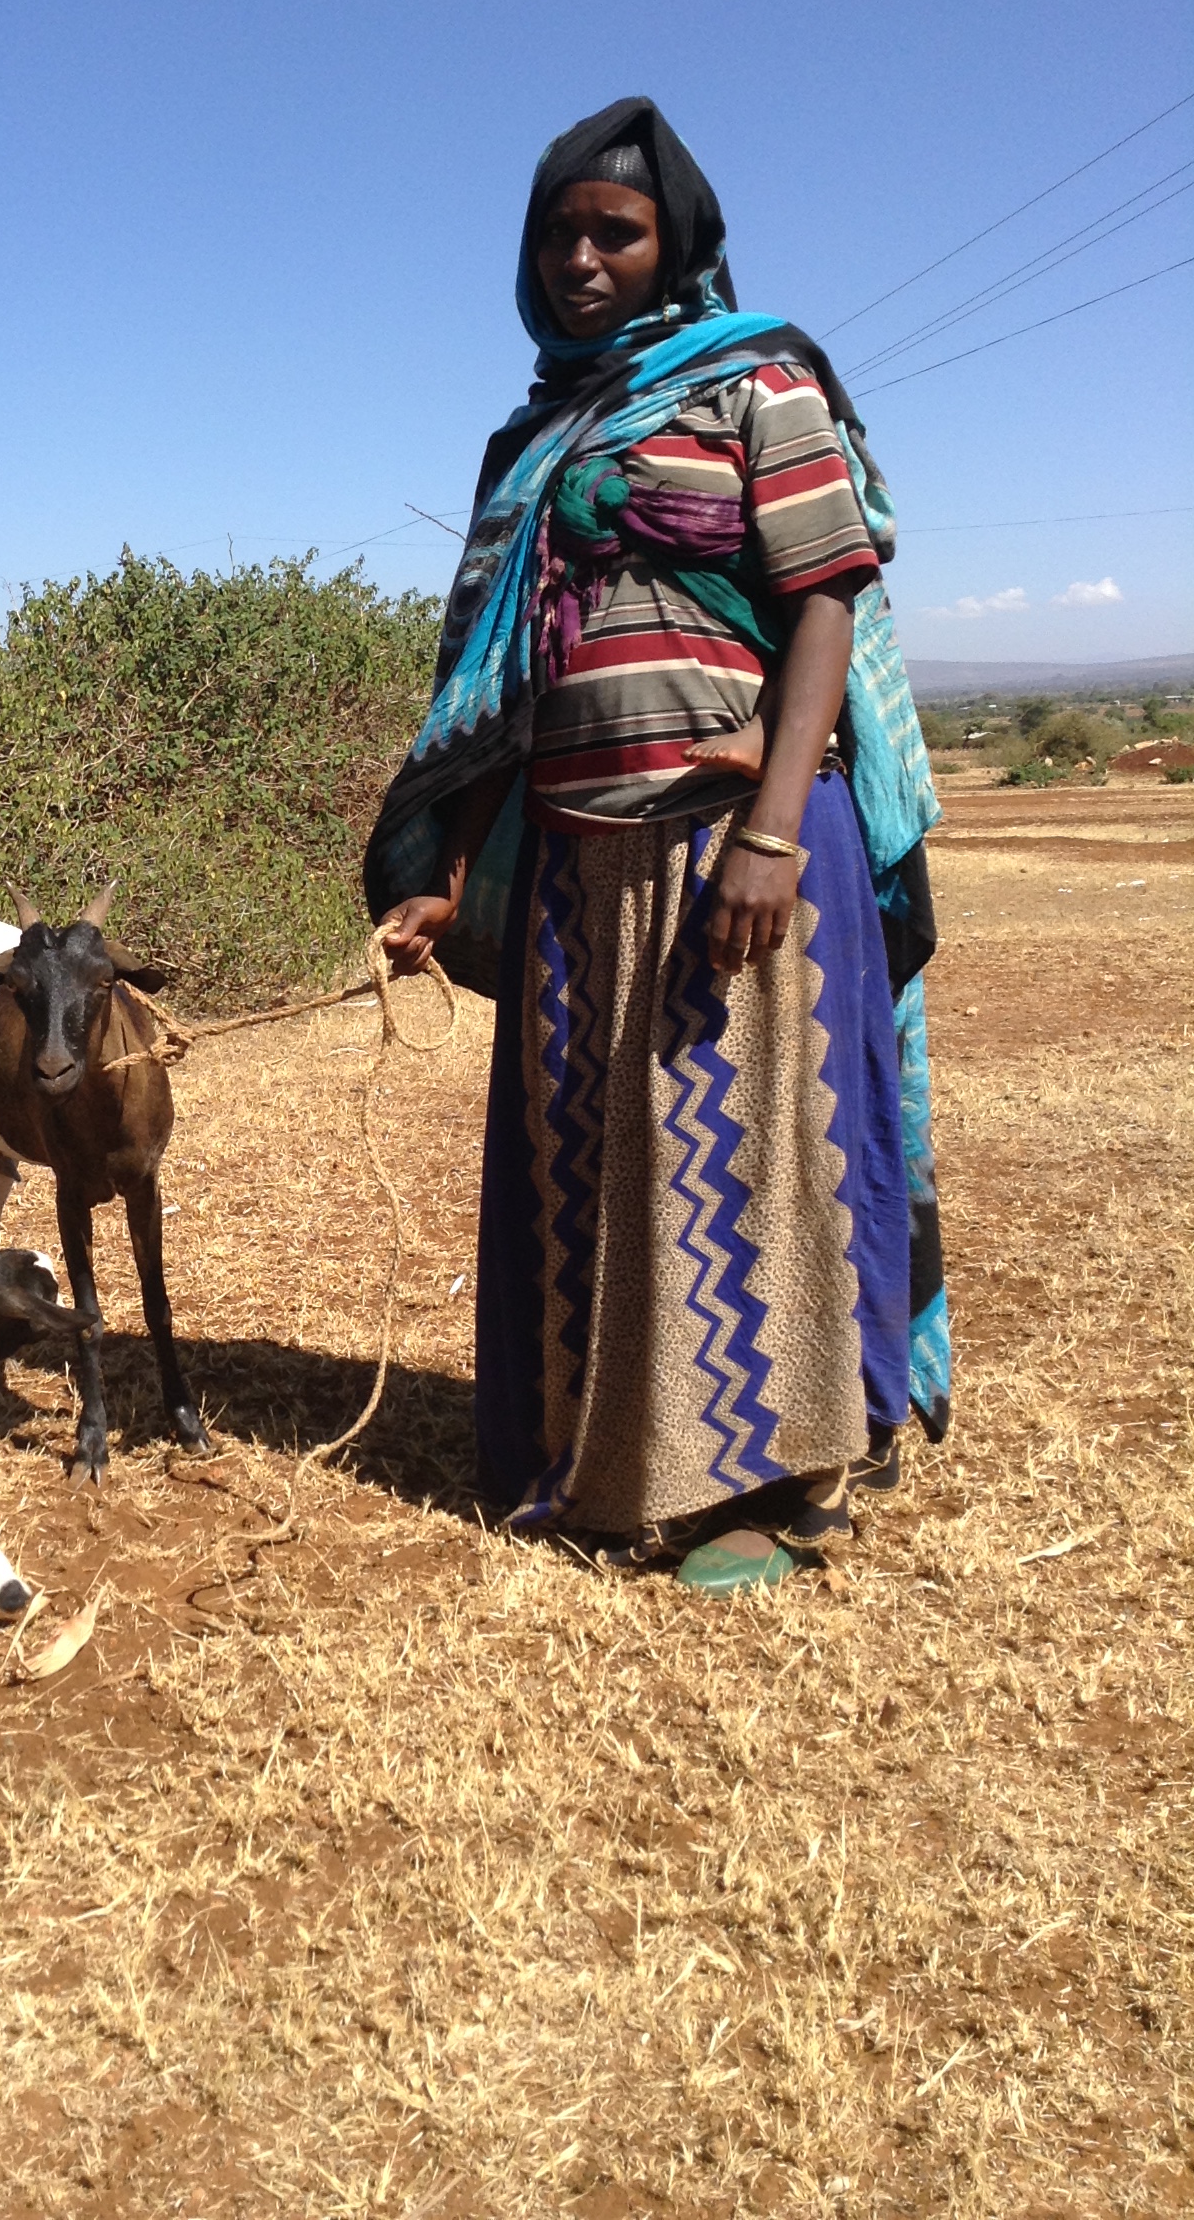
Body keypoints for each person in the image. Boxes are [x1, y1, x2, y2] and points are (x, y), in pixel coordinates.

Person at [366, 98, 948, 1592]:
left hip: (731, 845)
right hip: (573, 857)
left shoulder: (758, 382)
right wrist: (445, 872)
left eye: (611, 231)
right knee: (602, 1166)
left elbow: (826, 596)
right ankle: (609, 1459)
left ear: (672, 241)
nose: (580, 258)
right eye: (557, 233)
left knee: (750, 1161)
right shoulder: (541, 437)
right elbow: (507, 683)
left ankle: (777, 1481)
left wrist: (772, 830)